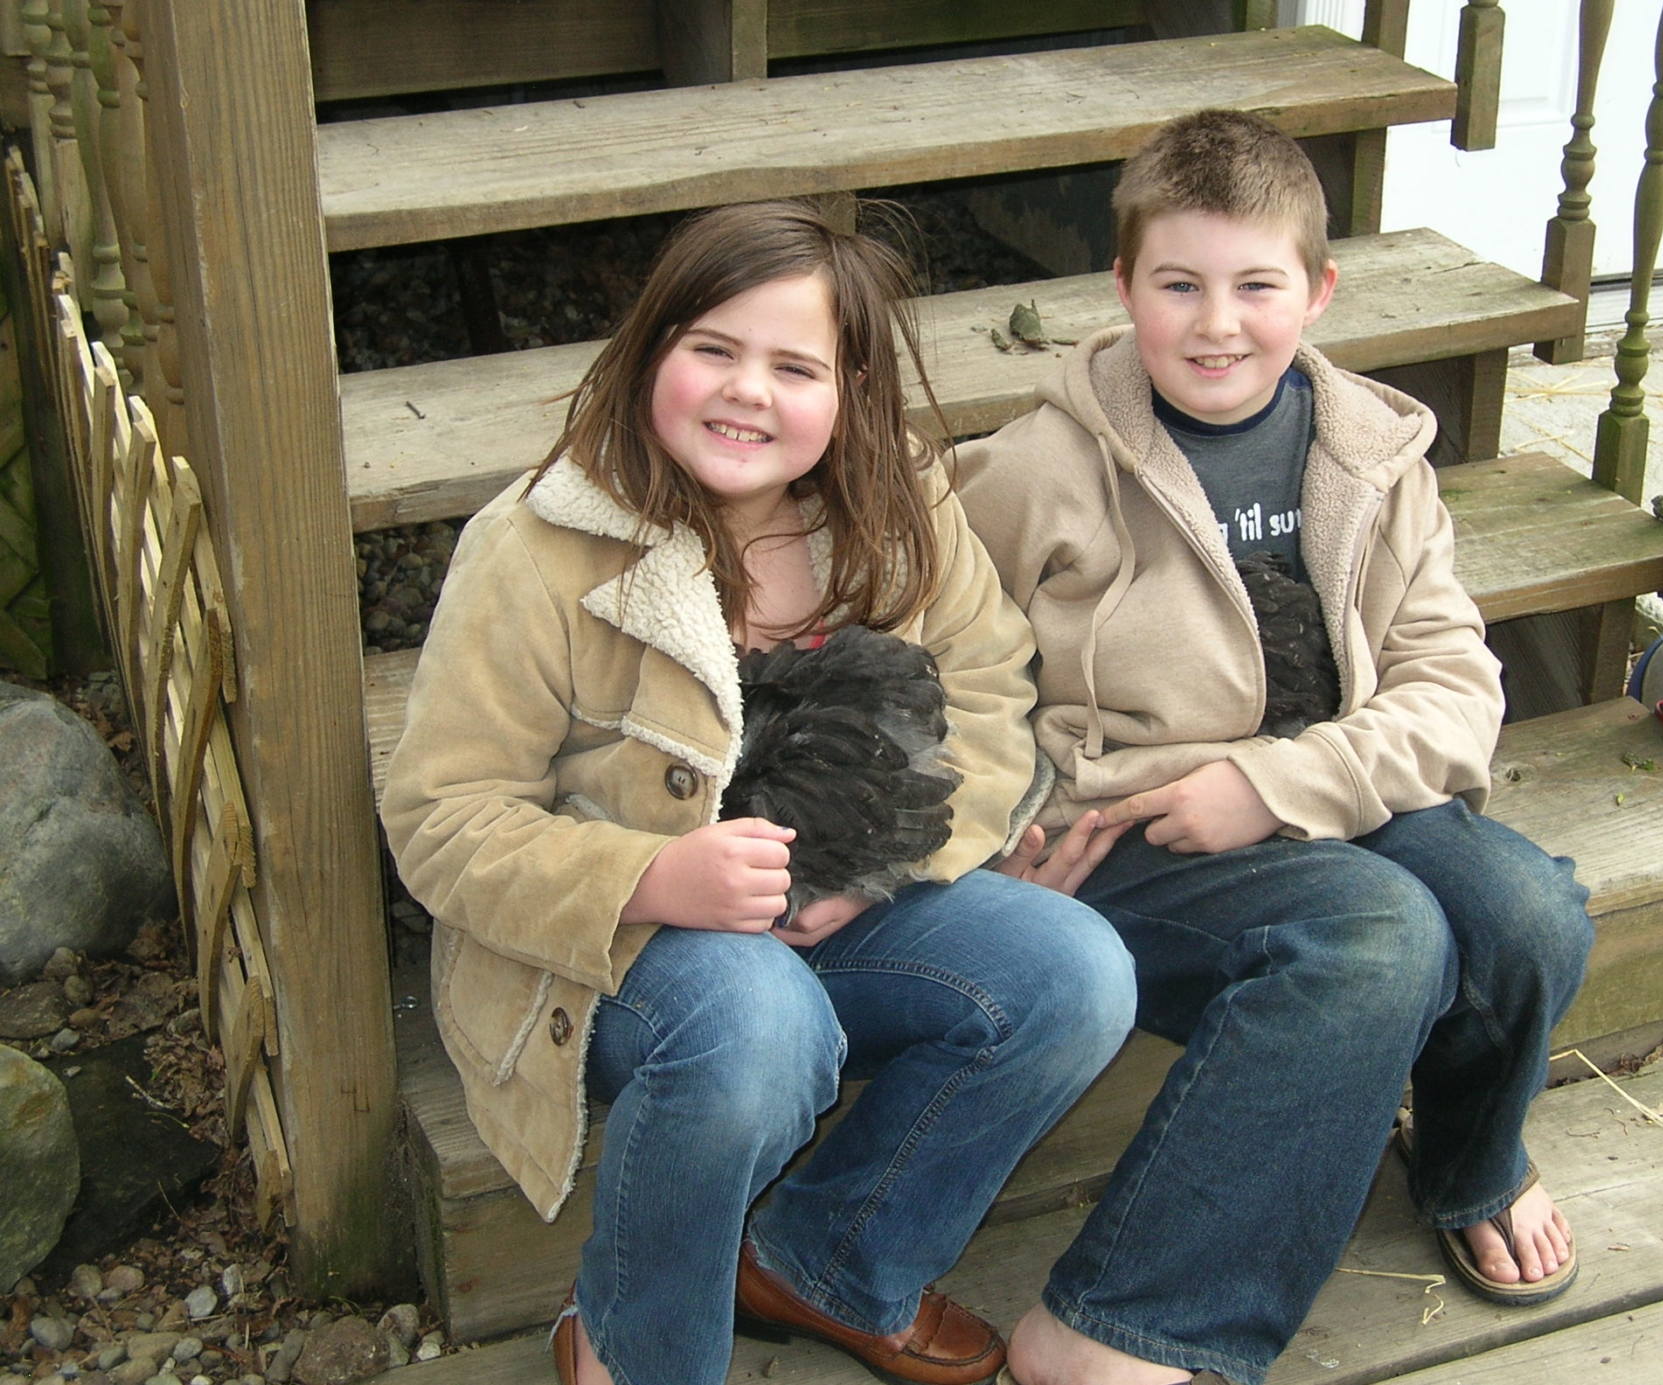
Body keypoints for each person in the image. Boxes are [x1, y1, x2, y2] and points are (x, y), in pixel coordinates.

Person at [381, 200, 1137, 1385]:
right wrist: (650, 875)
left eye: (794, 366)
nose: (748, 392)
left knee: (1073, 972)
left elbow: (989, 684)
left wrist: (873, 869)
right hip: (619, 953)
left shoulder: (894, 512)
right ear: (649, 353)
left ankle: (829, 1260)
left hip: (830, 909)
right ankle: (635, 1344)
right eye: (713, 350)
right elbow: (442, 816)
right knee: (759, 1027)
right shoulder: (534, 548)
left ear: (850, 394)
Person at [956, 109, 1596, 1385]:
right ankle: (1119, 1323)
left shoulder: (1370, 454)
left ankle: (1469, 1160)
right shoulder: (1036, 470)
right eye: (1177, 284)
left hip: (1325, 790)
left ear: (1316, 291)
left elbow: (1453, 686)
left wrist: (1272, 781)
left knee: (1525, 911)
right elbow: (940, 662)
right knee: (1378, 939)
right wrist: (989, 838)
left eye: (1256, 285)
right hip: (1128, 831)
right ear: (1122, 286)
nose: (1215, 324)